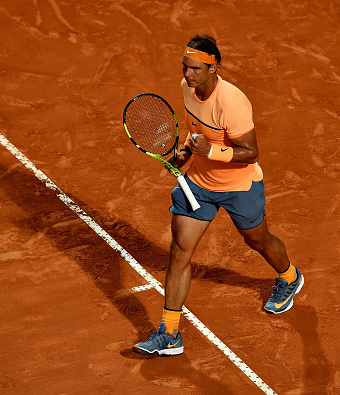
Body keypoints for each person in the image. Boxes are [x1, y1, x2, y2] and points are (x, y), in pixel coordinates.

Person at [133, 34, 304, 356]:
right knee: (179, 252)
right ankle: (170, 332)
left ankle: (289, 276)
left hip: (239, 188)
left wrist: (211, 150)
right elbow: (194, 130)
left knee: (258, 241)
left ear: (215, 67)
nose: (188, 75)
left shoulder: (232, 103)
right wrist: (184, 153)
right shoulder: (187, 89)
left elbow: (251, 152)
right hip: (198, 183)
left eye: (196, 69)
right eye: (185, 67)